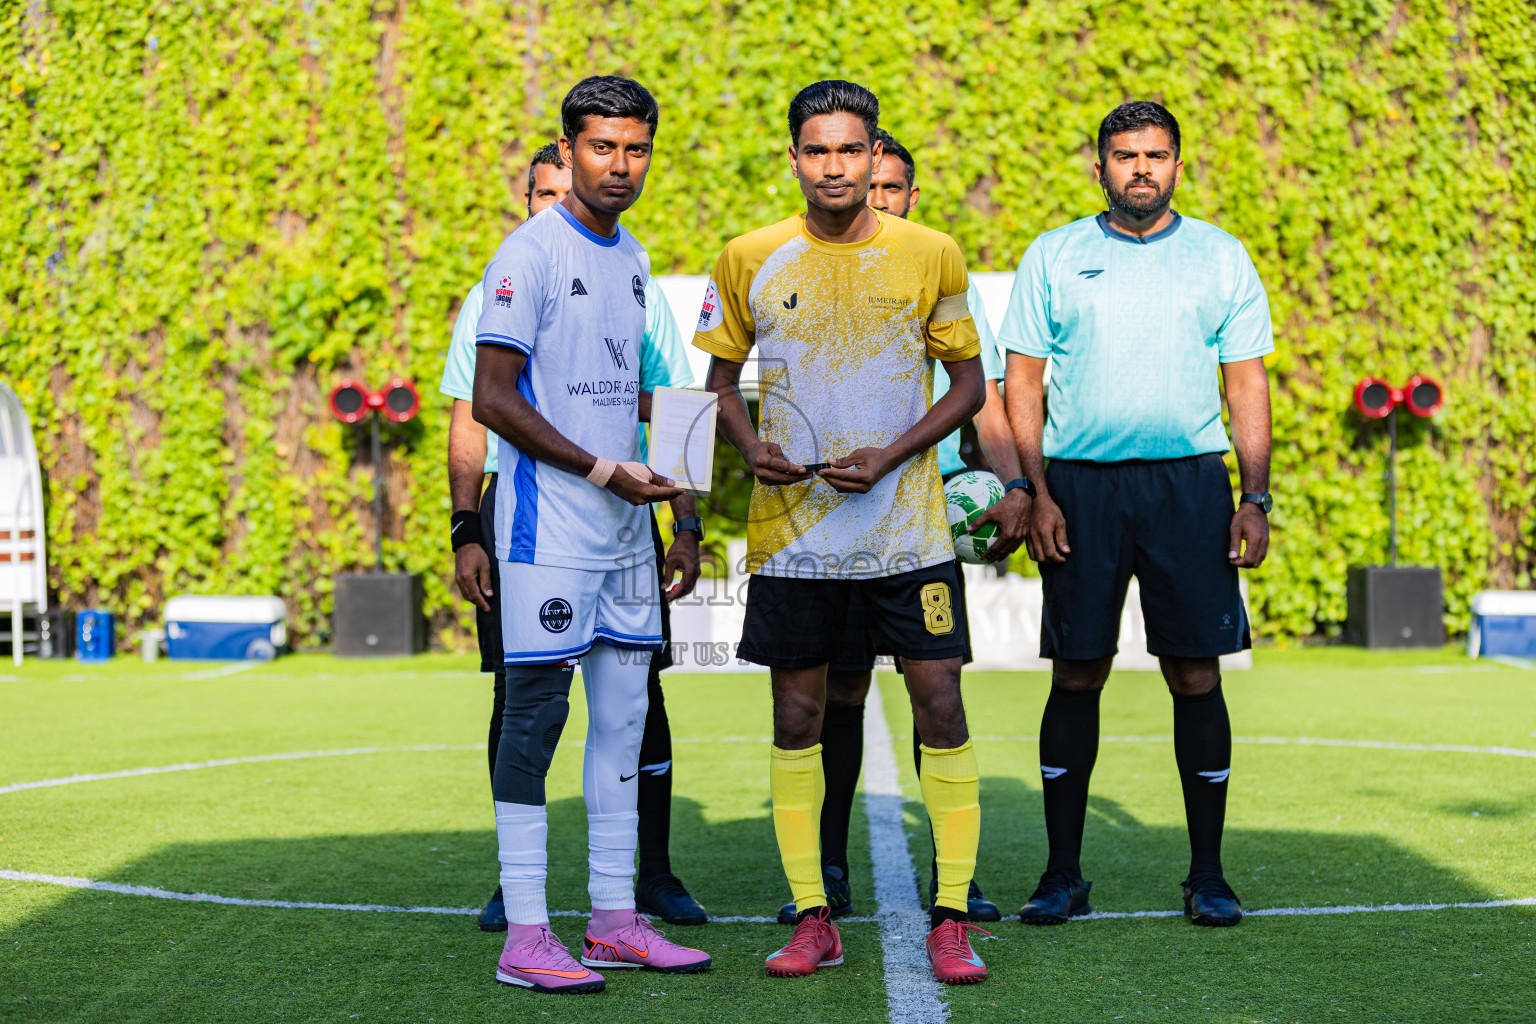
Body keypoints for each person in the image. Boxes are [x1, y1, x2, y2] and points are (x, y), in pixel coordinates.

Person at [698, 80, 990, 985]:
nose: (834, 166)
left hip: (909, 532)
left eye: (850, 151)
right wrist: (754, 452)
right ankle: (813, 914)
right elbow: (716, 387)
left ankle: (950, 918)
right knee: (798, 715)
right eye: (816, 151)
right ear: (794, 158)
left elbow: (971, 388)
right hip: (794, 537)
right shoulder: (746, 258)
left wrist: (895, 454)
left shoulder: (931, 252)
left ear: (875, 160)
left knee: (939, 702)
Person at [999, 100, 1274, 928]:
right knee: (1077, 671)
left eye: (1156, 155)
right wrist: (1037, 490)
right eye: (1126, 156)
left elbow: (1247, 385)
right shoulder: (1054, 255)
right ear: (1101, 167)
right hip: (1079, 489)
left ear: (1178, 167)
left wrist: (1254, 497)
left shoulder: (1222, 258)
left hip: (1191, 488)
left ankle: (1209, 876)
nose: (1141, 169)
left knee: (1196, 674)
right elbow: (1023, 384)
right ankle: (1062, 875)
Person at [472, 75, 712, 994]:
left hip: (626, 539)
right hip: (548, 535)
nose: (621, 165)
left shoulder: (635, 258)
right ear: (567, 149)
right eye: (603, 147)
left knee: (625, 723)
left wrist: (682, 516)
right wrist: (604, 472)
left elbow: (658, 397)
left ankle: (614, 917)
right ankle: (526, 934)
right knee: (534, 723)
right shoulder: (527, 254)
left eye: (637, 148)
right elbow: (494, 399)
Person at [771, 127, 1027, 926]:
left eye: (889, 187)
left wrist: (1014, 484)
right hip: (825, 521)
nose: (872, 195)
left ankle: (958, 881)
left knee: (934, 692)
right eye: (862, 181)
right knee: (837, 693)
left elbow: (974, 393)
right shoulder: (789, 265)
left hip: (917, 515)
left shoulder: (937, 269)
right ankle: (831, 865)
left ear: (909, 196)